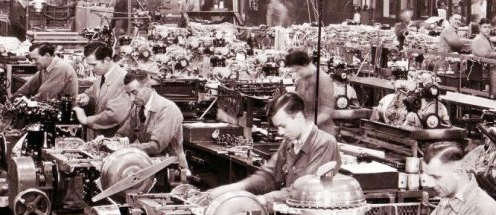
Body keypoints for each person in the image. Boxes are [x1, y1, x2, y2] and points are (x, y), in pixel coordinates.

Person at [208, 92, 341, 205]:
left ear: (299, 117)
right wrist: (235, 188)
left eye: (283, 126)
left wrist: (261, 200)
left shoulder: (324, 143)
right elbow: (269, 176)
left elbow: (304, 190)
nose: (280, 132)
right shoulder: (289, 142)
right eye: (277, 127)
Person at [117, 69, 188, 172]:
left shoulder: (167, 109)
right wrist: (109, 142)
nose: (131, 99)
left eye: (134, 93)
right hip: (150, 165)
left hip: (171, 168)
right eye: (128, 94)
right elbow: (125, 133)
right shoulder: (137, 108)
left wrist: (127, 148)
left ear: (148, 86)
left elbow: (156, 146)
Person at [72, 43, 131, 138]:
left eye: (94, 64)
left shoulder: (123, 79)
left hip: (113, 137)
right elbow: (94, 94)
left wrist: (86, 120)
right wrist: (87, 98)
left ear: (107, 60)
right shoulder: (102, 75)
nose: (91, 69)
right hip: (99, 135)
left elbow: (115, 114)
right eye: (89, 65)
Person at [285, 49, 336, 137]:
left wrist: (307, 125)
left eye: (298, 70)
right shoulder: (303, 79)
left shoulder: (322, 79)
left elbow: (327, 111)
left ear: (306, 64)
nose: (297, 73)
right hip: (306, 131)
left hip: (321, 133)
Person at [12, 43, 78, 102]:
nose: (33, 62)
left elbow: (43, 96)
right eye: (31, 59)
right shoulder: (44, 68)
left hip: (66, 110)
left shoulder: (60, 67)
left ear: (47, 56)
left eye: (35, 59)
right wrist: (12, 100)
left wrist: (22, 103)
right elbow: (27, 87)